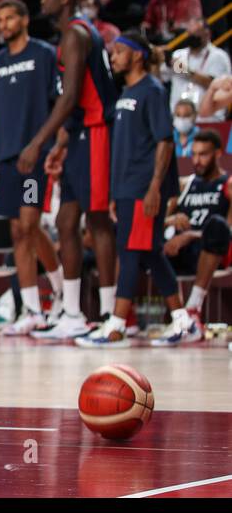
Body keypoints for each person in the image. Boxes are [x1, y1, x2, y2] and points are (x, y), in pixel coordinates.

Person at [77, 31, 195, 347]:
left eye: (118, 52)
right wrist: (116, 193)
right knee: (150, 253)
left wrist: (155, 188)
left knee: (130, 253)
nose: (113, 57)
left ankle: (116, 326)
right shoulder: (126, 91)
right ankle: (184, 323)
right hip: (127, 188)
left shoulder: (152, 91)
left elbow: (165, 141)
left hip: (144, 188)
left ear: (137, 55)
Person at [28, 0, 118, 339]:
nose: (43, 0)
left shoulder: (77, 34)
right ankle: (72, 313)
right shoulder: (76, 34)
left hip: (97, 131)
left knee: (97, 222)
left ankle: (112, 316)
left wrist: (39, 143)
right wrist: (63, 143)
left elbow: (70, 99)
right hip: (81, 134)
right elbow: (75, 103)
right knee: (66, 222)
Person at [0, 0, 61, 335]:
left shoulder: (43, 55)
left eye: (10, 17)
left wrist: (55, 146)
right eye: (1, 18)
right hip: (7, 158)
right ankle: (32, 309)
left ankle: (60, 295)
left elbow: (60, 104)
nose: (4, 23)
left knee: (29, 224)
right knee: (18, 231)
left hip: (35, 154)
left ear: (24, 20)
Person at [161, 128, 231, 341]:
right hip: (177, 250)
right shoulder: (184, 184)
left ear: (218, 154)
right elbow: (158, 222)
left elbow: (229, 227)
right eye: (194, 154)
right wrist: (171, 220)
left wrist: (190, 235)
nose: (197, 160)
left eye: (204, 154)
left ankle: (193, 308)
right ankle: (125, 318)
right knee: (143, 239)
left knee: (217, 225)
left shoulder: (227, 184)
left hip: (211, 251)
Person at [168, 19, 229, 121]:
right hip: (179, 119)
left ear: (207, 33)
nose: (192, 36)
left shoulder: (219, 56)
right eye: (189, 33)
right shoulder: (178, 55)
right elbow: (160, 78)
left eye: (196, 33)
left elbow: (219, 87)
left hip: (208, 120)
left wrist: (187, 71)